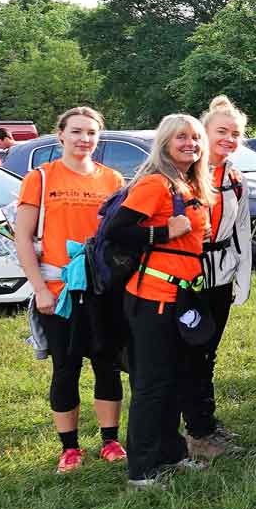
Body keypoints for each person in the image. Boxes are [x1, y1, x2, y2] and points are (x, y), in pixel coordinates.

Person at [100, 114, 216, 484]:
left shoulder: (187, 185)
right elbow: (117, 231)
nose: (190, 144)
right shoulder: (155, 184)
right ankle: (142, 468)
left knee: (175, 377)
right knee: (151, 384)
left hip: (179, 297)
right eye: (181, 137)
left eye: (196, 138)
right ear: (165, 142)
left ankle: (171, 451)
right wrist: (164, 231)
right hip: (153, 298)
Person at [13, 106, 126, 474]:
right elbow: (24, 238)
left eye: (91, 133)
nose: (84, 139)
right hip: (59, 290)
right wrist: (40, 288)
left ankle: (111, 441)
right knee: (66, 367)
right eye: (76, 131)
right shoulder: (42, 178)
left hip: (102, 288)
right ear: (60, 134)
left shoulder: (112, 180)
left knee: (107, 364)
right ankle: (70, 448)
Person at [186, 96, 253, 458]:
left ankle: (204, 424)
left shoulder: (235, 178)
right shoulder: (183, 172)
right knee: (191, 351)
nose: (229, 138)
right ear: (204, 132)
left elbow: (241, 230)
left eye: (236, 133)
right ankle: (195, 430)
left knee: (208, 352)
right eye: (222, 131)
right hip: (185, 279)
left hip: (220, 275)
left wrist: (242, 276)